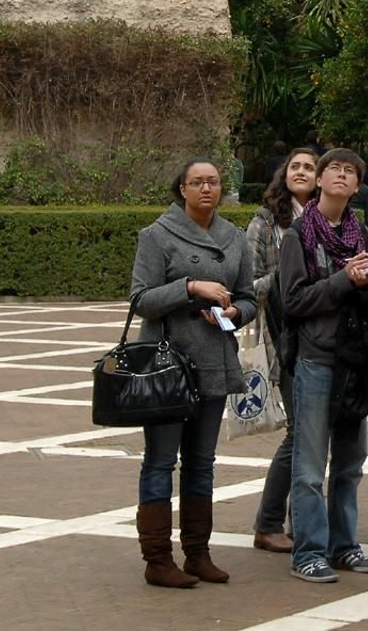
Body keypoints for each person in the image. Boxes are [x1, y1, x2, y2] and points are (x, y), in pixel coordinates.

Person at [129, 158, 257, 588]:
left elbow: (248, 297)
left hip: (214, 362)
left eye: (213, 182)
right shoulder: (156, 235)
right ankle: (157, 558)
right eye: (197, 182)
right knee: (161, 460)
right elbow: (140, 300)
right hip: (166, 366)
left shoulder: (234, 237)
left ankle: (198, 553)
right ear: (181, 189)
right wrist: (189, 287)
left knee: (202, 462)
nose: (206, 188)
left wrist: (236, 312)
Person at [279, 147, 368, 584]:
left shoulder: (359, 233)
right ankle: (308, 551)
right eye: (334, 169)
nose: (342, 176)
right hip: (316, 358)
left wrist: (364, 284)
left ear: (358, 185)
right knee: (309, 466)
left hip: (353, 359)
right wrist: (344, 280)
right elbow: (293, 301)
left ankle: (344, 544)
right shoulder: (298, 235)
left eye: (350, 171)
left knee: (350, 462)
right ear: (321, 179)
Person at [249, 147, 320, 554]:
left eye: (310, 167)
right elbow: (248, 285)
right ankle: (269, 521)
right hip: (284, 340)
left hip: (323, 339)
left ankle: (301, 521)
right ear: (284, 173)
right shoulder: (264, 223)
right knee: (298, 433)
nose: (302, 172)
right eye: (296, 166)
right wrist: (289, 272)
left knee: (314, 436)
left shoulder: (331, 221)